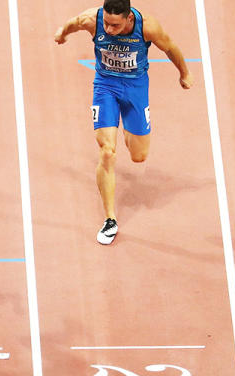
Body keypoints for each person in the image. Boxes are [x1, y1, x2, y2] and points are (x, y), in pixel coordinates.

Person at [54, 0, 192, 244]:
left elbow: (170, 47)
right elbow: (73, 23)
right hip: (105, 86)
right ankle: (110, 219)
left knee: (139, 156)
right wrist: (62, 34)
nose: (108, 29)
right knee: (107, 151)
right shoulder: (92, 20)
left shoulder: (147, 27)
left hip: (136, 88)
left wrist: (185, 73)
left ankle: (130, 127)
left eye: (115, 25)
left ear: (129, 19)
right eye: (106, 22)